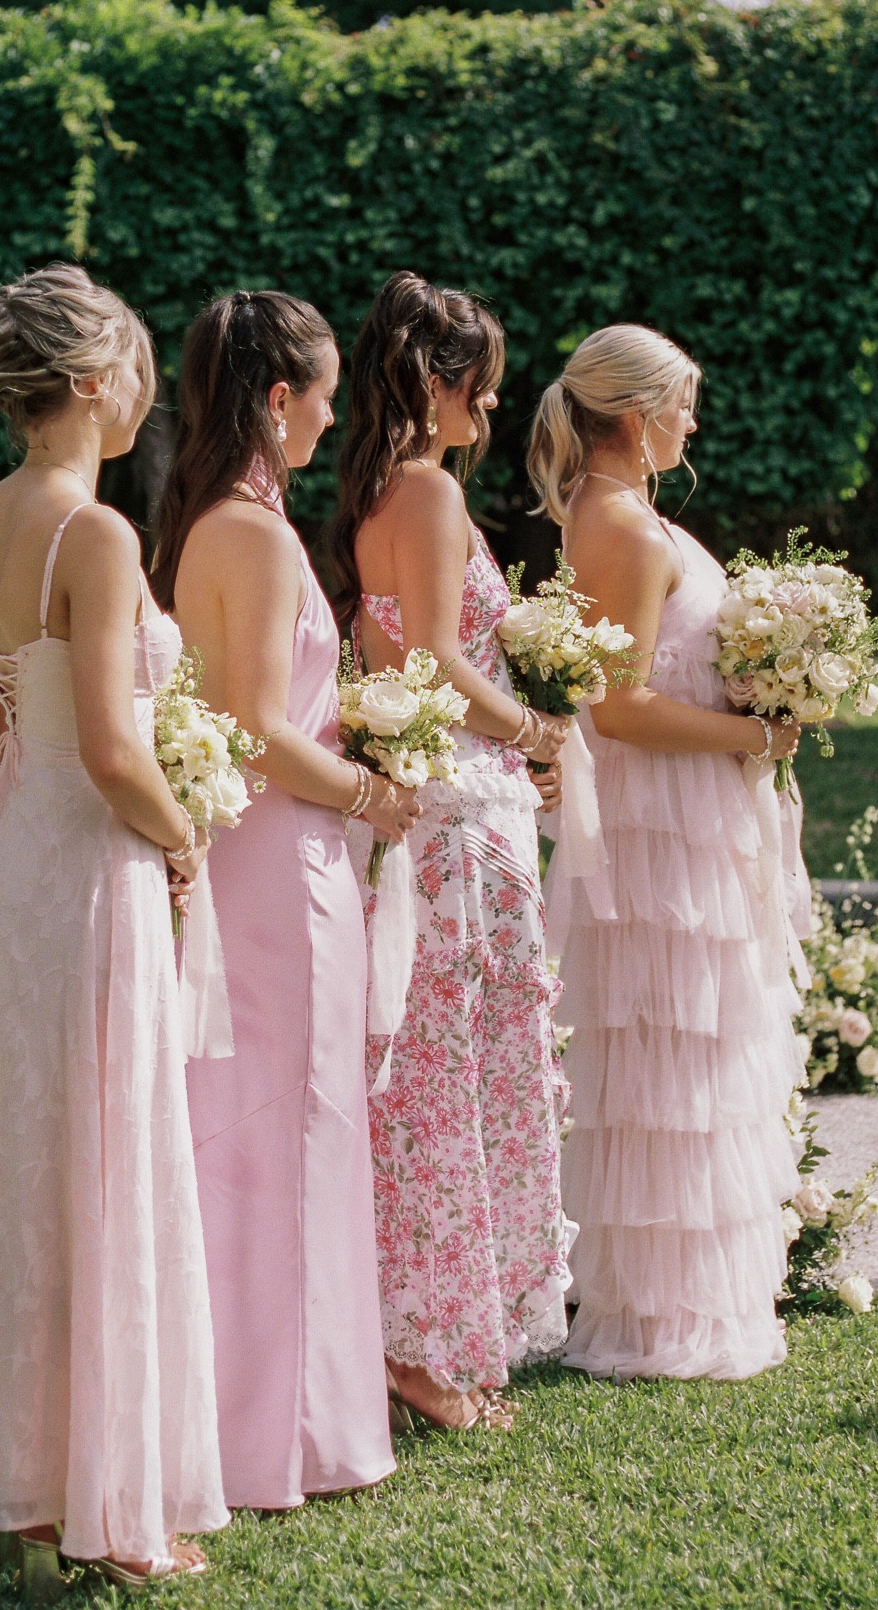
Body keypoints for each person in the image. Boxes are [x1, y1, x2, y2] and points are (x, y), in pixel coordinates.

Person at [0, 264, 227, 1591]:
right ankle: (110, 1510)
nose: (145, 396)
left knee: (29, 1152)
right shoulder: (90, 536)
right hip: (89, 864)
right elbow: (109, 744)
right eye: (136, 373)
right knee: (106, 1153)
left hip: (17, 863)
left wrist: (76, 795)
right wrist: (183, 831)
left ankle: (28, 1482)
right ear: (94, 385)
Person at [152, 290, 419, 1511]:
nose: (333, 414)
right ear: (276, 400)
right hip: (281, 863)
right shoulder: (250, 536)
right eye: (321, 393)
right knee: (292, 1134)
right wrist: (372, 791)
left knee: (251, 1137)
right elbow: (259, 730)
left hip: (257, 857)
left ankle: (240, 1419)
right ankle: (291, 1437)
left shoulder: (207, 521)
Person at [529, 324, 805, 1381]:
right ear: (638, 414)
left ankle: (692, 1296)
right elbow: (623, 707)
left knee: (694, 1058)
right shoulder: (625, 530)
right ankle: (658, 1317)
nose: (693, 421)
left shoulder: (626, 516)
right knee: (665, 1063)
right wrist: (754, 734)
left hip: (685, 815)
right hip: (658, 829)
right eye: (682, 404)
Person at [327, 271, 573, 1433]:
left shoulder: (380, 490)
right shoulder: (423, 494)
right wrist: (532, 726)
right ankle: (419, 1347)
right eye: (480, 382)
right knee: (444, 1075)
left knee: (438, 1070)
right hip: (459, 817)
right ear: (434, 380)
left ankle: (427, 1333)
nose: (493, 402)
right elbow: (429, 656)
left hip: (448, 803)